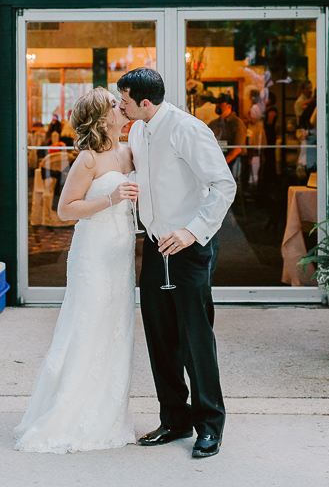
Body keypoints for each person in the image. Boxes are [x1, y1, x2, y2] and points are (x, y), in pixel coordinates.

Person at [118, 68, 236, 459]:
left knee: (195, 338)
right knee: (160, 335)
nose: (121, 106)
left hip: (189, 246)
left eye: (125, 100)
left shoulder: (189, 129)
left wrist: (191, 231)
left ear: (145, 102)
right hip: (154, 245)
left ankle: (209, 426)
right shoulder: (136, 131)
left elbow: (223, 185)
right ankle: (174, 419)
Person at [14, 87, 139, 454]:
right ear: (103, 118)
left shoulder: (129, 152)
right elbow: (65, 211)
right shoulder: (88, 159)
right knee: (86, 328)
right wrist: (110, 199)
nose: (122, 107)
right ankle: (71, 414)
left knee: (116, 330)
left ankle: (109, 413)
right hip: (93, 254)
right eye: (116, 105)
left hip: (121, 255)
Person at [208, 93, 247, 173]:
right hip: (217, 164)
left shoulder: (237, 123)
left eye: (221, 103)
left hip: (233, 165)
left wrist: (223, 164)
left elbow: (238, 148)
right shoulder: (213, 123)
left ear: (229, 106)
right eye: (217, 102)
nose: (217, 105)